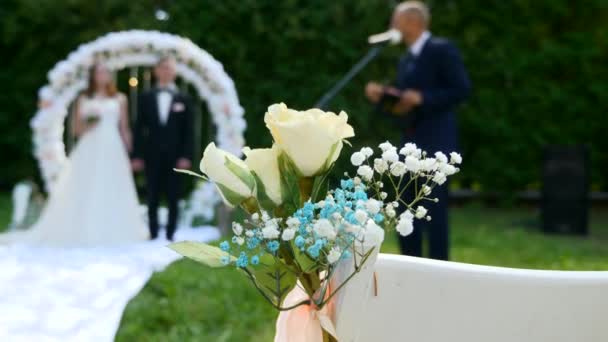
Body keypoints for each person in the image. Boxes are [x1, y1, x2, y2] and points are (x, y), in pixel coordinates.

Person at [365, 1, 471, 260]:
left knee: (433, 208)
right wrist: (385, 98)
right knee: (406, 206)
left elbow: (461, 89)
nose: (392, 26)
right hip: (411, 142)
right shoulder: (407, 59)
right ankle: (410, 263)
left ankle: (438, 267)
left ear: (413, 22)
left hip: (437, 142)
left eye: (396, 20)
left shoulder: (441, 50)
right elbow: (405, 103)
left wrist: (423, 98)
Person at [1, 63, 148, 247]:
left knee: (112, 184)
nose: (103, 75)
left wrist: (132, 154)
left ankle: (115, 228)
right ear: (93, 76)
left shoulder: (120, 99)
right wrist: (90, 123)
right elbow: (76, 130)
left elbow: (124, 128)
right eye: (99, 72)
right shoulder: (83, 99)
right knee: (86, 185)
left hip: (113, 147)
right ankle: (83, 227)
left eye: (106, 72)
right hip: (90, 147)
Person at [132, 56, 193, 241]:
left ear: (174, 72)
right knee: (152, 194)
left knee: (174, 194)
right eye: (163, 67)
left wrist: (186, 155)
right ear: (156, 71)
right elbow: (139, 128)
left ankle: (171, 233)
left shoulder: (185, 99)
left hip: (176, 155)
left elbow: (189, 131)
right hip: (152, 154)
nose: (166, 71)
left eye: (169, 68)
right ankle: (152, 232)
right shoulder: (145, 97)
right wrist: (137, 155)